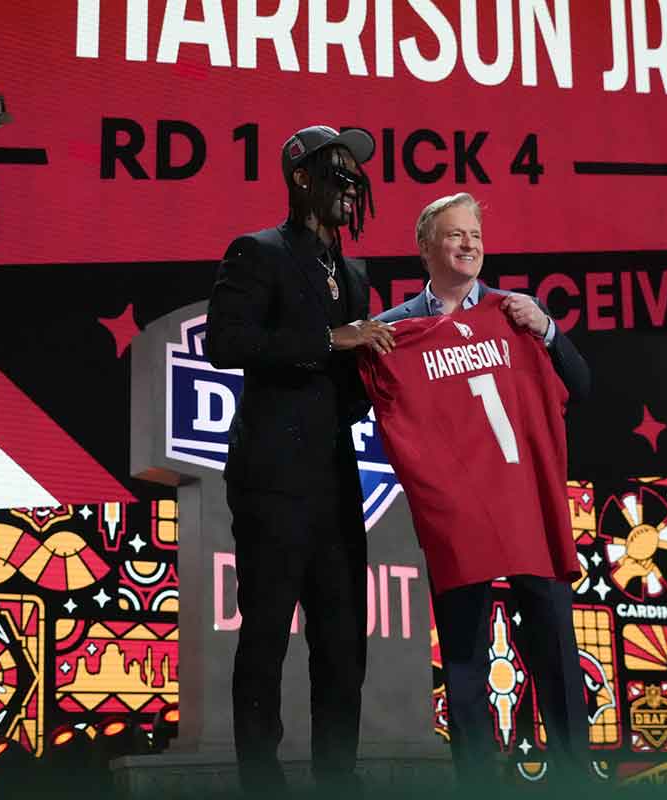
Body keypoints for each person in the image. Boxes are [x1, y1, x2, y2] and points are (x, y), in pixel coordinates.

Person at [374, 193, 592, 785]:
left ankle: (576, 775)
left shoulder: (516, 312)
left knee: (555, 646)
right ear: (426, 248)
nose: (469, 244)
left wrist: (547, 330)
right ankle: (475, 782)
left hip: (525, 502)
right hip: (458, 513)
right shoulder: (395, 330)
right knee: (465, 658)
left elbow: (580, 384)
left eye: (475, 234)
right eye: (455, 235)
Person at [205, 125, 395, 792]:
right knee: (266, 638)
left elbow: (348, 379)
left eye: (356, 177)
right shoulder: (256, 253)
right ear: (300, 178)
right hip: (272, 478)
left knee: (343, 647)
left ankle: (337, 782)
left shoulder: (356, 273)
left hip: (337, 479)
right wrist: (330, 337)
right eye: (337, 173)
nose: (351, 187)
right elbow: (225, 343)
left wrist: (382, 385)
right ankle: (261, 783)